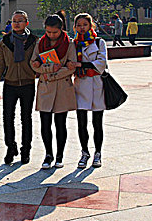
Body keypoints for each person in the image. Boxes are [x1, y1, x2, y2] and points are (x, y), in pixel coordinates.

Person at [0, 10, 38, 165]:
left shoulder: (34, 41)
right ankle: (10, 147)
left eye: (20, 20)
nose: (17, 23)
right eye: (14, 21)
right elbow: (0, 65)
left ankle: (26, 150)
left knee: (26, 118)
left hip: (28, 84)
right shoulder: (5, 42)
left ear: (26, 23)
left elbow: (40, 61)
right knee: (8, 118)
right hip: (10, 85)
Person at [30, 14, 77, 169]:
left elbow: (71, 67)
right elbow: (33, 64)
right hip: (45, 87)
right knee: (45, 123)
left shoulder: (69, 44)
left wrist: (51, 72)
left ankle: (60, 156)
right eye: (48, 32)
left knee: (60, 123)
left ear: (61, 29)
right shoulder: (40, 43)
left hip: (62, 87)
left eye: (54, 32)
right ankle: (48, 154)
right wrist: (49, 69)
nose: (51, 35)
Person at [70, 13, 107, 168]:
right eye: (79, 25)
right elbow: (69, 62)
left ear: (91, 25)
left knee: (97, 122)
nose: (82, 27)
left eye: (85, 24)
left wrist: (81, 66)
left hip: (97, 85)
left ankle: (98, 153)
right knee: (81, 122)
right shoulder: (73, 44)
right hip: (80, 85)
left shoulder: (99, 42)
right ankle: (84, 152)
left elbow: (101, 63)